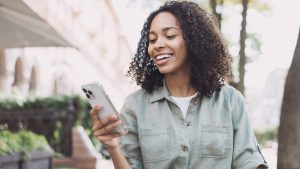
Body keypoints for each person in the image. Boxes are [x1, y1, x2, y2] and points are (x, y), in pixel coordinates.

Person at [90, 1, 269, 169]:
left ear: (194, 41)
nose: (157, 45)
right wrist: (113, 146)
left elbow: (249, 161)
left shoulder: (230, 101)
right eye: (152, 40)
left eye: (170, 35)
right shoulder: (135, 106)